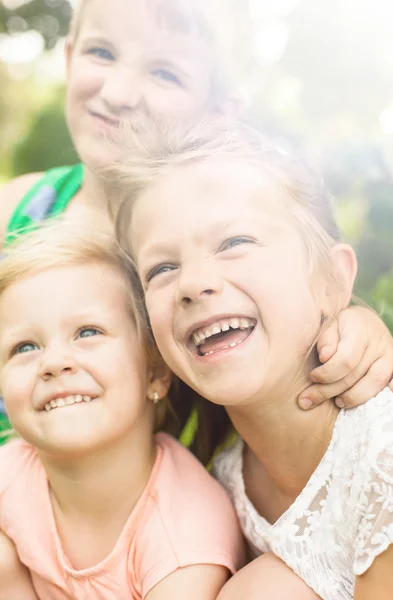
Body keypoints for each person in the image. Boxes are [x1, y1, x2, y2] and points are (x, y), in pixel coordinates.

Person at [1, 0, 393, 414]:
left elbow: (301, 311)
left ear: (219, 114)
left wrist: (354, 328)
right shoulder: (13, 210)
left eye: (164, 73)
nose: (117, 94)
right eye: (101, 52)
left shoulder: (224, 256)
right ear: (68, 56)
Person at [114, 118, 393, 599]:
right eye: (162, 268)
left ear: (330, 280)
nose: (193, 283)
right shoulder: (221, 478)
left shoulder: (379, 456)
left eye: (234, 243)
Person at [0, 219, 244, 600]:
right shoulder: (13, 475)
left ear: (156, 373)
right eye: (25, 347)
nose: (53, 361)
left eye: (88, 332)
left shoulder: (184, 538)